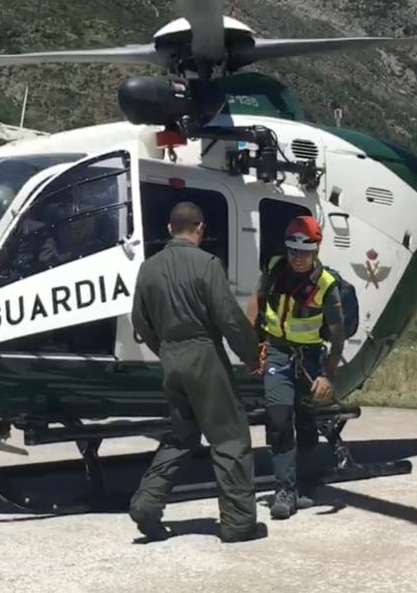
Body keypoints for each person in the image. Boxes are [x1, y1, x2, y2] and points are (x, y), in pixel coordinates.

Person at [128, 201, 266, 543]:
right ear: (200, 228)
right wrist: (251, 355)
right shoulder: (207, 264)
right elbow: (228, 318)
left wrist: (164, 349)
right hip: (204, 355)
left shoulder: (148, 268)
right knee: (230, 436)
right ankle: (237, 523)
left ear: (170, 229)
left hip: (171, 359)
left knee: (182, 436)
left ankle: (147, 502)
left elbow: (139, 321)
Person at [246, 215, 346, 520]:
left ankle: (305, 484)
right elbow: (256, 303)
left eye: (304, 252)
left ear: (316, 250)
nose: (297, 258)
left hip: (310, 359)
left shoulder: (326, 285)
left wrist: (327, 375)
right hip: (276, 353)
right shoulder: (275, 268)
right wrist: (249, 348)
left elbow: (338, 333)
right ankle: (284, 490)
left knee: (305, 422)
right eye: (293, 251)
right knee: (279, 420)